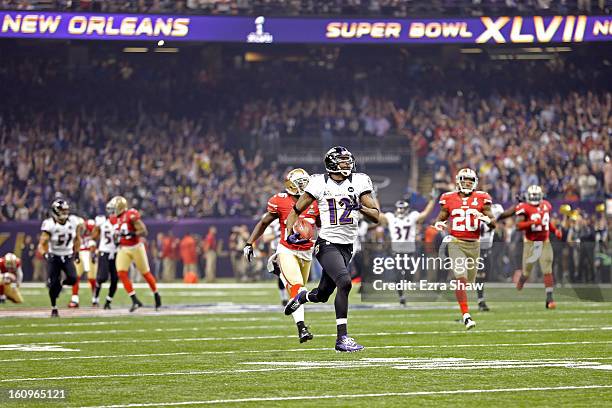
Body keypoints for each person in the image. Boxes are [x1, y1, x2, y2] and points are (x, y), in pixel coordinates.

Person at [284, 146, 380, 352]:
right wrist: (289, 232)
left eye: (348, 160)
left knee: (323, 294)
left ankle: (301, 297)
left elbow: (376, 216)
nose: (347, 164)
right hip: (327, 243)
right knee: (345, 282)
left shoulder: (360, 181)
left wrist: (360, 207)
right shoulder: (319, 182)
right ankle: (342, 339)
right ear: (331, 163)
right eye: (342, 161)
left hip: (347, 247)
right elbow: (295, 211)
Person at [243, 168, 319, 343]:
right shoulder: (280, 201)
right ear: (292, 186)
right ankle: (302, 328)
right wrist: (249, 242)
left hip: (306, 253)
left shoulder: (314, 202)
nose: (304, 186)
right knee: (298, 288)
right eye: (300, 184)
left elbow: (322, 226)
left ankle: (281, 276)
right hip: (287, 250)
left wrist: (320, 242)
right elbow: (264, 222)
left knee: (298, 294)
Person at [434, 168, 496, 330]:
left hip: (474, 244)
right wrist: (439, 223)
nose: (467, 183)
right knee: (460, 278)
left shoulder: (482, 198)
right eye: (464, 180)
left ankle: (463, 306)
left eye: (470, 181)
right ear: (458, 181)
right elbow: (441, 216)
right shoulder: (448, 198)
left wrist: (485, 218)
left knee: (468, 281)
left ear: (475, 182)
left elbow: (493, 222)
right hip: (456, 242)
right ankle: (466, 316)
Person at [498, 185, 563, 308]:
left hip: (544, 241)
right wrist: (532, 223)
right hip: (531, 243)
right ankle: (522, 280)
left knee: (547, 268)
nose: (534, 198)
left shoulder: (546, 205)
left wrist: (555, 230)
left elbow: (546, 221)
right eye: (532, 195)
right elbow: (518, 226)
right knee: (527, 270)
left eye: (536, 195)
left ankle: (549, 299)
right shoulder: (524, 207)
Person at [380, 194, 435, 305]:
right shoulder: (391, 217)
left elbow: (425, 214)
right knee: (398, 274)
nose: (401, 210)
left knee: (409, 274)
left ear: (407, 209)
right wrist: (374, 198)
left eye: (403, 208)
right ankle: (401, 296)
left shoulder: (412, 216)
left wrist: (432, 200)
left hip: (410, 251)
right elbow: (379, 215)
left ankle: (403, 291)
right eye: (399, 208)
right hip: (396, 251)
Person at [111, 195, 161, 312]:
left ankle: (156, 295)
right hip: (124, 248)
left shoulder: (130, 215)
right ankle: (134, 300)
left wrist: (133, 233)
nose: (113, 210)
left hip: (136, 247)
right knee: (121, 273)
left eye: (114, 207)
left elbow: (144, 231)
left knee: (145, 273)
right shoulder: (114, 219)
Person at [38, 199, 81, 317]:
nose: (64, 213)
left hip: (67, 255)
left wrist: (77, 253)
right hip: (54, 256)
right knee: (52, 285)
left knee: (73, 278)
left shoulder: (73, 221)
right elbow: (41, 244)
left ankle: (61, 283)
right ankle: (54, 308)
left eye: (66, 210)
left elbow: (77, 238)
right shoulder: (50, 224)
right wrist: (45, 254)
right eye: (62, 210)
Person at [92, 199, 119, 309]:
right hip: (104, 252)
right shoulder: (102, 222)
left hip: (116, 253)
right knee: (102, 277)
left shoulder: (121, 223)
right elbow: (94, 236)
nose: (112, 213)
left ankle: (108, 301)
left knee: (115, 279)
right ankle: (96, 297)